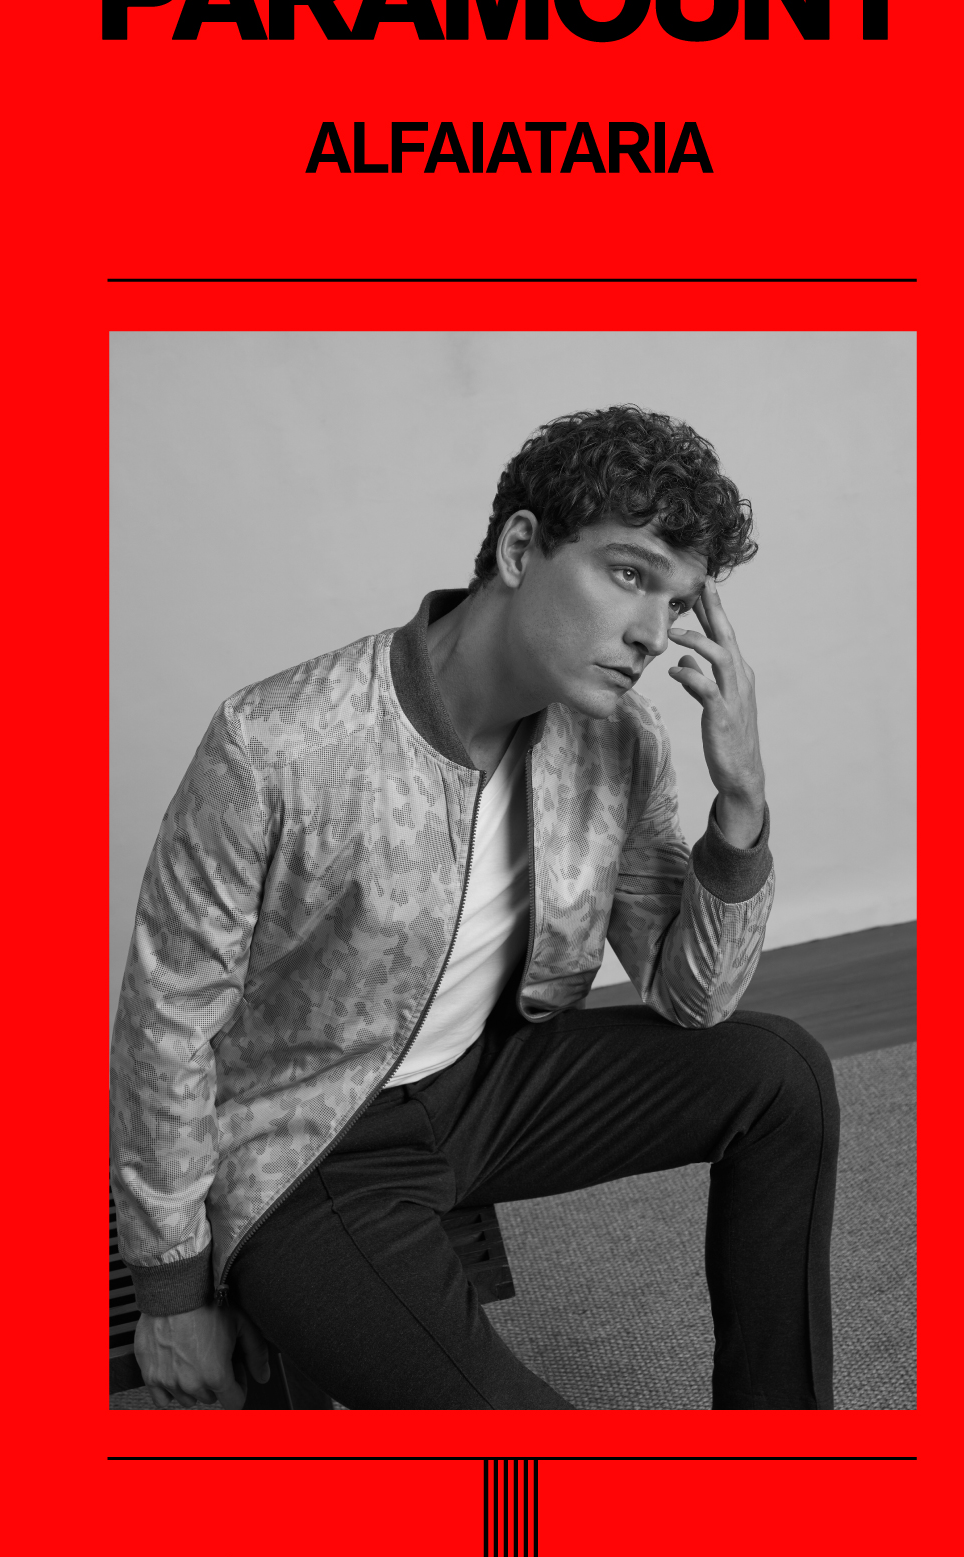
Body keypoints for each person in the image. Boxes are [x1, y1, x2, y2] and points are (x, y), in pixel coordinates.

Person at [110, 404, 839, 1411]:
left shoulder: (620, 743)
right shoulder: (277, 743)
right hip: (307, 1153)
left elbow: (693, 998)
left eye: (675, 603)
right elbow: (167, 1022)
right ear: (521, 548)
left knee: (781, 1073)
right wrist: (173, 1293)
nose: (649, 634)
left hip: (484, 1092)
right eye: (629, 575)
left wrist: (743, 804)